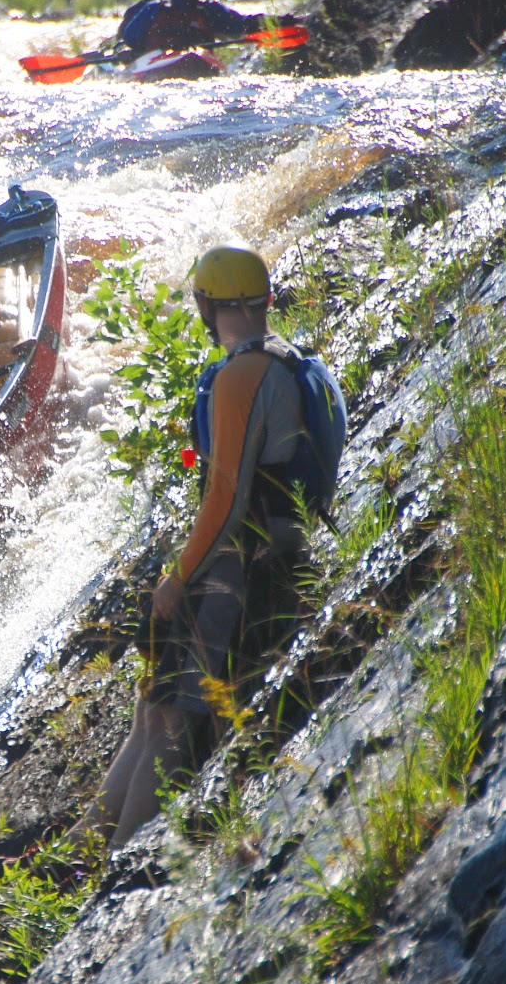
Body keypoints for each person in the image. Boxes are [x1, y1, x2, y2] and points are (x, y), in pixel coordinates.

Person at [70, 244, 343, 851]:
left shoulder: (241, 376)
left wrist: (177, 574)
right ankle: (84, 851)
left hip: (235, 568)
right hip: (273, 551)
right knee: (152, 709)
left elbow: (223, 497)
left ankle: (114, 861)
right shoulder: (292, 364)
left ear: (206, 304)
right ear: (263, 301)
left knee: (167, 721)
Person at [115, 0, 266, 54]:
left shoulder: (208, 9)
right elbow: (129, 38)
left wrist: (274, 22)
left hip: (198, 60)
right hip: (154, 61)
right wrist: (132, 52)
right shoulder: (153, 8)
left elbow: (242, 25)